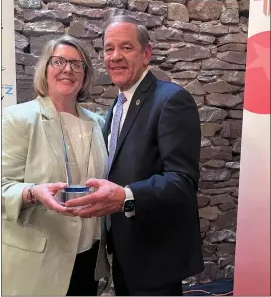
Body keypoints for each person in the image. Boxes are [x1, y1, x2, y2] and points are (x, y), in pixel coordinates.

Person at [66, 15, 204, 296]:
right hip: (124, 251)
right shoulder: (116, 106)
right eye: (108, 49)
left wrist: (125, 196)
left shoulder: (171, 99)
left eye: (126, 47)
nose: (115, 57)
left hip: (155, 256)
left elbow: (182, 180)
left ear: (146, 54)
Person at [2, 35, 109, 296]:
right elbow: (3, 186)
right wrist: (32, 193)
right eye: (58, 61)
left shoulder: (99, 124)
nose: (67, 69)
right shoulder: (18, 118)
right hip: (38, 261)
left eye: (76, 64)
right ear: (45, 69)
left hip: (88, 254)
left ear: (85, 74)